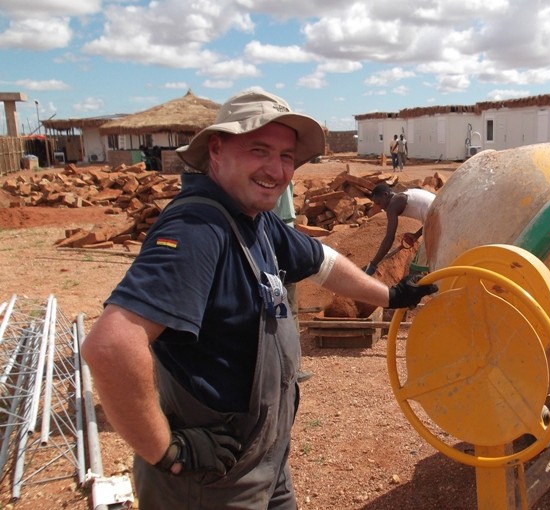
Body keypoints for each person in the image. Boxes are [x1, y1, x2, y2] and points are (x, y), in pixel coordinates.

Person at [80, 87, 437, 510]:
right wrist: (166, 452)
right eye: (259, 150)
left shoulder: (255, 219)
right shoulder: (199, 229)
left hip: (265, 460)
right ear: (216, 150)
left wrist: (391, 294)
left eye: (286, 156)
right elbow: (111, 346)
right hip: (212, 480)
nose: (276, 168)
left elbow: (323, 261)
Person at [272, 182, 313, 383]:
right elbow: (287, 218)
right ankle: (291, 368)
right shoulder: (282, 179)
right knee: (289, 310)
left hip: (265, 249)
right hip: (281, 250)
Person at [364, 183, 435, 276]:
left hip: (437, 224)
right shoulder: (406, 194)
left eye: (379, 203)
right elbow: (430, 217)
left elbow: (389, 238)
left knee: (415, 270)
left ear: (385, 195)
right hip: (440, 217)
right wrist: (416, 235)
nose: (380, 207)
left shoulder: (393, 205)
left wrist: (373, 264)